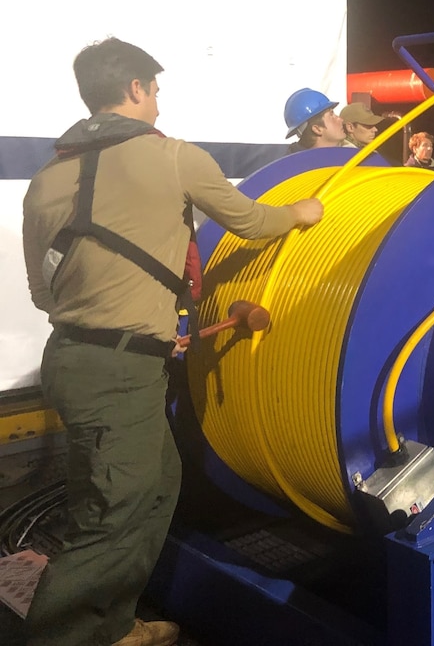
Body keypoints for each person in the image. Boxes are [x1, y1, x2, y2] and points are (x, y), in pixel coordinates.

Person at [21, 38, 324, 646]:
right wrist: (302, 212)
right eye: (156, 88)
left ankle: (110, 625)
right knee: (111, 517)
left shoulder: (47, 177)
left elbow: (43, 292)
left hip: (76, 359)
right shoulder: (174, 157)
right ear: (135, 89)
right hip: (116, 373)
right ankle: (64, 636)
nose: (159, 99)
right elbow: (252, 222)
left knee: (154, 485)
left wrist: (140, 328)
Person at [284, 87, 346, 152]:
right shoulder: (299, 162)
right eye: (331, 114)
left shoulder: (345, 158)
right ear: (317, 129)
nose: (340, 119)